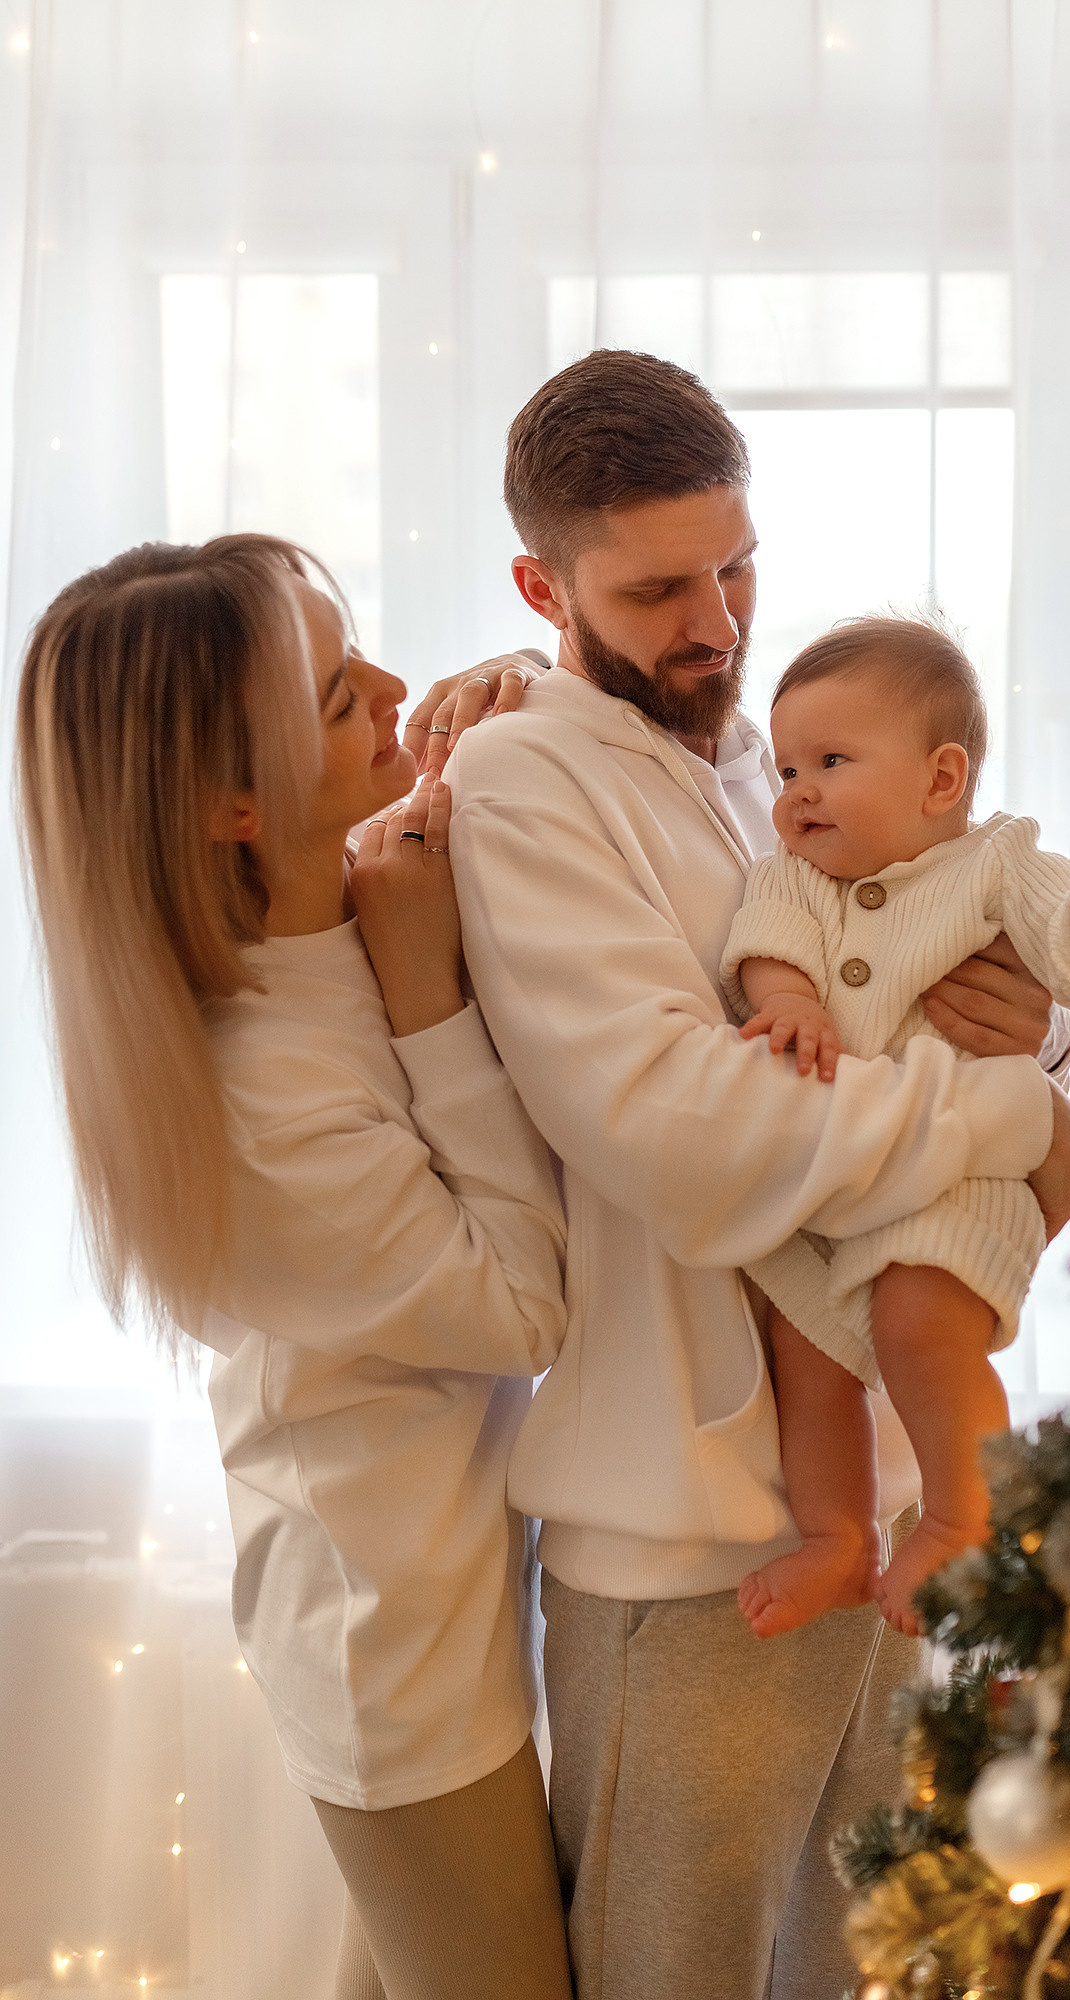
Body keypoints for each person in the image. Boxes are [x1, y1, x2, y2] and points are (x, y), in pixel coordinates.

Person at [406, 350, 1070, 2000]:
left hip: (877, 1519)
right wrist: (997, 1123)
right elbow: (690, 1140)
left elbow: (916, 959)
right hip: (688, 1565)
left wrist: (1036, 1042)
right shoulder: (523, 779)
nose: (716, 619)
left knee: (888, 1975)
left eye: (735, 565)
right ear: (538, 585)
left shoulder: (754, 756)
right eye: (659, 588)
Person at [15, 535, 574, 2000]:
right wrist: (427, 993)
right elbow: (527, 1305)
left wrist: (524, 696)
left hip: (452, 1595)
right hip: (401, 1659)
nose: (393, 688)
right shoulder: (258, 1099)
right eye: (340, 697)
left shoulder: (340, 918)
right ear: (231, 807)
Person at [718, 615, 1070, 1639]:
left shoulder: (997, 864)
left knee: (923, 1322)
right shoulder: (797, 877)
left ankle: (965, 1515)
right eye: (787, 769)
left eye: (831, 761)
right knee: (803, 1351)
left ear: (940, 777)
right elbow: (764, 945)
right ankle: (835, 1533)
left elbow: (1068, 961)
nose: (798, 792)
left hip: (965, 1179)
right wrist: (788, 999)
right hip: (837, 1187)